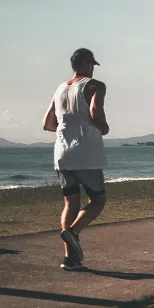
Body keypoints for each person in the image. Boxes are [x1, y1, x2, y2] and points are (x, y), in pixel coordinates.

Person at [42, 47, 109, 270]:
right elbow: (95, 112)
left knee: (70, 203)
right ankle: (73, 231)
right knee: (98, 201)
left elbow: (48, 124)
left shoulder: (60, 89)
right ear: (89, 64)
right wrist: (103, 127)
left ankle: (71, 259)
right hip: (86, 154)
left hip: (62, 155)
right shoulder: (94, 86)